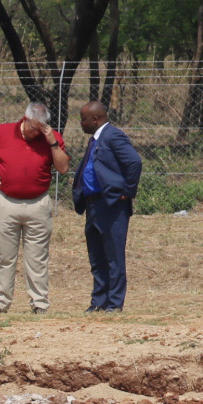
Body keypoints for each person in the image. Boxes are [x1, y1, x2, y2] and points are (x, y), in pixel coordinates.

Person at [0, 101, 69, 314]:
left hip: (38, 204)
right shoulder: (2, 132)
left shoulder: (51, 137)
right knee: (5, 256)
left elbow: (63, 168)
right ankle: (0, 303)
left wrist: (52, 143)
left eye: (40, 128)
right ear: (25, 118)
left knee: (37, 257)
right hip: (6, 202)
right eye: (33, 127)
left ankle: (39, 304)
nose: (35, 132)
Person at [73, 100, 143, 313]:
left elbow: (134, 162)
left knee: (113, 256)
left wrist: (126, 192)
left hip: (111, 205)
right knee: (97, 256)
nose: (81, 124)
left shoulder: (113, 135)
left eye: (83, 119)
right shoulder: (94, 140)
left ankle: (114, 303)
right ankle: (98, 302)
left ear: (96, 119)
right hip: (93, 204)